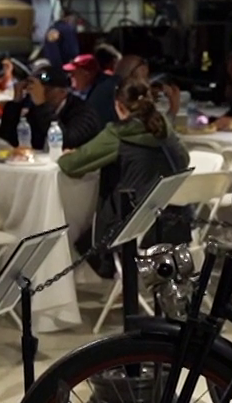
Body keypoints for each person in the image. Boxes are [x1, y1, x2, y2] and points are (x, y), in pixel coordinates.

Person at [59, 78, 192, 266]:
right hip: (174, 221)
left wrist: (67, 154)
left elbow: (71, 165)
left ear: (119, 106)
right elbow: (184, 160)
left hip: (127, 227)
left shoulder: (117, 134)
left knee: (79, 241)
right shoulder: (163, 127)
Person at [0, 61, 73, 149]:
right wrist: (16, 102)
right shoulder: (35, 110)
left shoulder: (80, 110)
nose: (40, 94)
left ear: (63, 92)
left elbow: (66, 141)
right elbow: (7, 139)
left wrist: (42, 104)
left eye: (47, 90)